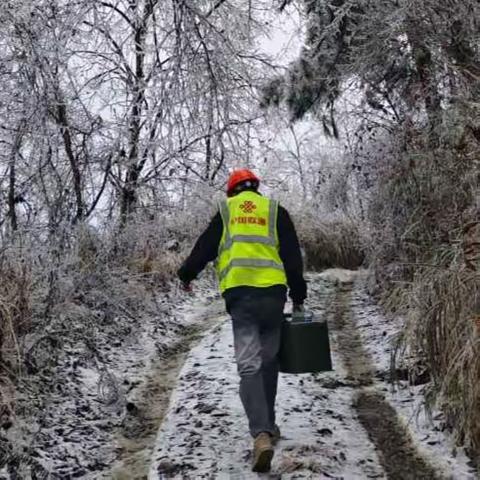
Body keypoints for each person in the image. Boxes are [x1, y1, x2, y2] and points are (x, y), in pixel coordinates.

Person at [177, 168, 307, 473]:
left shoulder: (227, 211)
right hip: (273, 296)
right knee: (269, 359)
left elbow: (204, 248)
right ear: (255, 189)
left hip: (241, 297)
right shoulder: (275, 210)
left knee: (249, 364)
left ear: (231, 191)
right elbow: (291, 256)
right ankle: (270, 425)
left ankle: (260, 434)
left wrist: (186, 274)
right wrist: (298, 292)